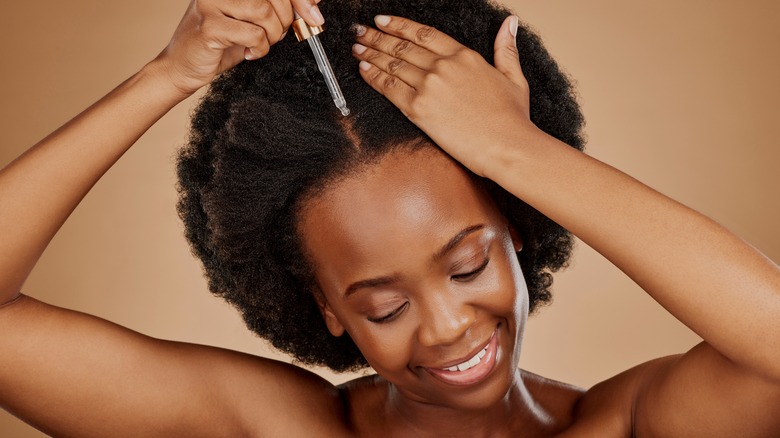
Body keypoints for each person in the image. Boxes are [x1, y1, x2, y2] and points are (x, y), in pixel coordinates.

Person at [1, 0, 778, 437]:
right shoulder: (282, 431)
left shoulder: (629, 426)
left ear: (518, 229)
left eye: (468, 264)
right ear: (327, 311)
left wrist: (519, 156)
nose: (445, 326)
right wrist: (165, 76)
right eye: (385, 305)